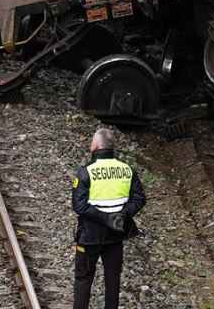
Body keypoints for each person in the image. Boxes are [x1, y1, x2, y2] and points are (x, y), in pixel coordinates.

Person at [70, 127, 146, 309]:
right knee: (113, 280)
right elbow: (139, 198)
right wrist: (121, 215)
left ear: (95, 145)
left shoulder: (85, 172)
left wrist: (104, 217)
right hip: (116, 235)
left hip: (90, 237)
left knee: (83, 279)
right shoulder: (127, 169)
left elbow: (79, 206)